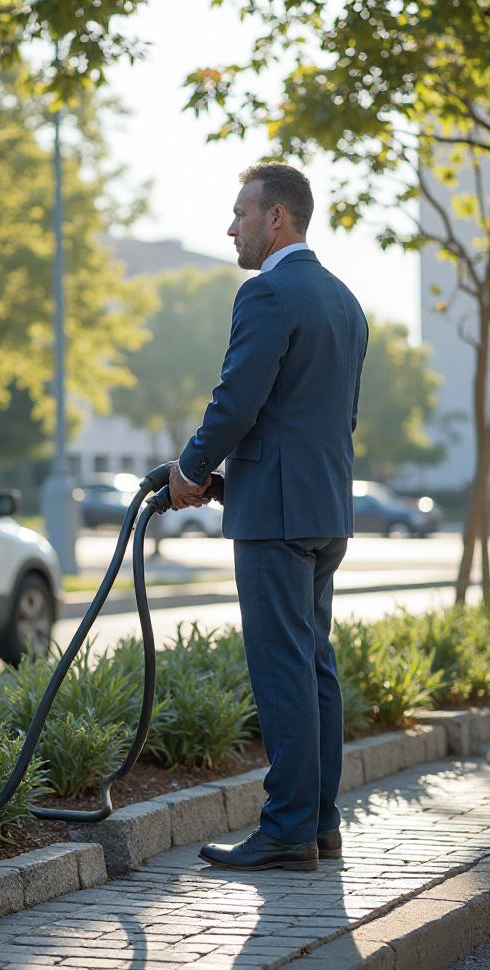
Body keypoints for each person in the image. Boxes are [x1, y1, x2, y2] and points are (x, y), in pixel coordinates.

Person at [169, 162, 369, 871]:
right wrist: (231, 479)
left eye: (240, 213)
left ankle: (287, 831)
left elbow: (239, 399)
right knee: (314, 666)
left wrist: (191, 470)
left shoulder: (266, 292)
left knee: (283, 670)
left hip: (277, 518)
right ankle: (318, 825)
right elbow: (322, 419)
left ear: (275, 218)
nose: (231, 227)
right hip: (325, 510)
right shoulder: (345, 302)